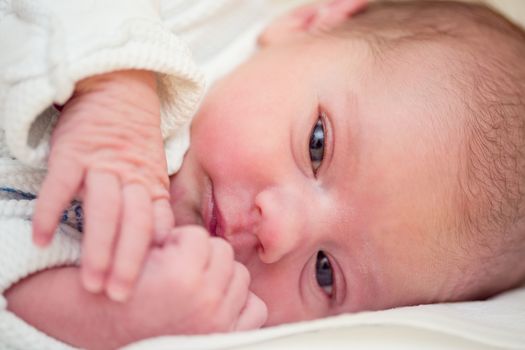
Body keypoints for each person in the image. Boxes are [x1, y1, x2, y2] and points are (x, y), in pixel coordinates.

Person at [2, 0, 525, 348]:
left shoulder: (185, 302)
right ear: (310, 21)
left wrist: (109, 318)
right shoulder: (199, 25)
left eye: (325, 272)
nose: (278, 230)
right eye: (317, 146)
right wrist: (114, 84)